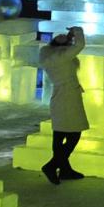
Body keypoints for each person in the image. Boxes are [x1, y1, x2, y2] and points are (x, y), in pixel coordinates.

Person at [38, 27, 89, 183]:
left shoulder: (49, 54)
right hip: (67, 97)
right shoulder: (61, 56)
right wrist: (77, 31)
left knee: (60, 134)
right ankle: (52, 166)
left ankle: (65, 169)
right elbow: (79, 45)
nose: (60, 35)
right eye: (58, 36)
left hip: (63, 96)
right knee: (73, 134)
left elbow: (72, 48)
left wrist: (68, 38)